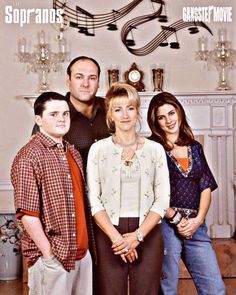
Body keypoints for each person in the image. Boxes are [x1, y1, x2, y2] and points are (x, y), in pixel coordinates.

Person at [86, 82, 170, 295]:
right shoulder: (98, 150)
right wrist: (117, 239)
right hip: (108, 232)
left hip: (148, 231)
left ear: (138, 112)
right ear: (110, 114)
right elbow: (94, 200)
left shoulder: (155, 150)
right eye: (118, 109)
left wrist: (138, 236)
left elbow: (162, 200)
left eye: (130, 108)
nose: (125, 115)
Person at [11, 92, 96, 295]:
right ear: (38, 119)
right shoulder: (29, 156)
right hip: (53, 257)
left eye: (65, 114)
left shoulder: (72, 152)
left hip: (82, 255)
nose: (62, 119)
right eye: (54, 114)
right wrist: (48, 255)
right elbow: (28, 214)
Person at [147, 91, 226, 295]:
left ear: (179, 112)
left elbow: (206, 186)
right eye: (161, 117)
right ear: (155, 122)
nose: (168, 121)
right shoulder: (151, 148)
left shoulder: (195, 147)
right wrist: (178, 220)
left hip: (195, 226)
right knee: (167, 289)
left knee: (215, 289)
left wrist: (198, 220)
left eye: (171, 113)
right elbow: (150, 192)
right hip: (165, 225)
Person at [32, 56, 109, 169]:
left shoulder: (112, 108)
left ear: (98, 82)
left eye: (92, 78)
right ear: (68, 80)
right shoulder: (52, 114)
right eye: (79, 77)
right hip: (70, 185)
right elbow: (37, 161)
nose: (86, 84)